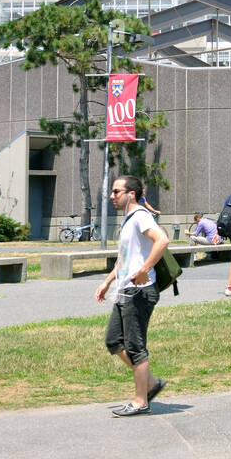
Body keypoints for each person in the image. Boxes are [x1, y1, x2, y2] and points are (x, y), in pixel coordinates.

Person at [95, 174, 172, 417]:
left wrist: (144, 270)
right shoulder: (129, 220)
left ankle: (141, 402)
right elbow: (125, 258)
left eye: (116, 191)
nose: (111, 196)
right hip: (125, 290)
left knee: (136, 347)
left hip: (140, 291)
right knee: (114, 341)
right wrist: (107, 282)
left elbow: (162, 240)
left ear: (131, 194)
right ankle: (150, 383)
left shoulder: (141, 216)